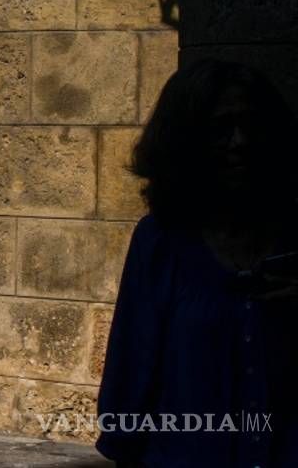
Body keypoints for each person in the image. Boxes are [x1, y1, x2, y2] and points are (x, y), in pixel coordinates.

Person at [96, 59, 298, 467]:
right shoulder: (161, 242)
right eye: (220, 129)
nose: (239, 142)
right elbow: (132, 366)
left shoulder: (292, 237)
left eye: (251, 125)